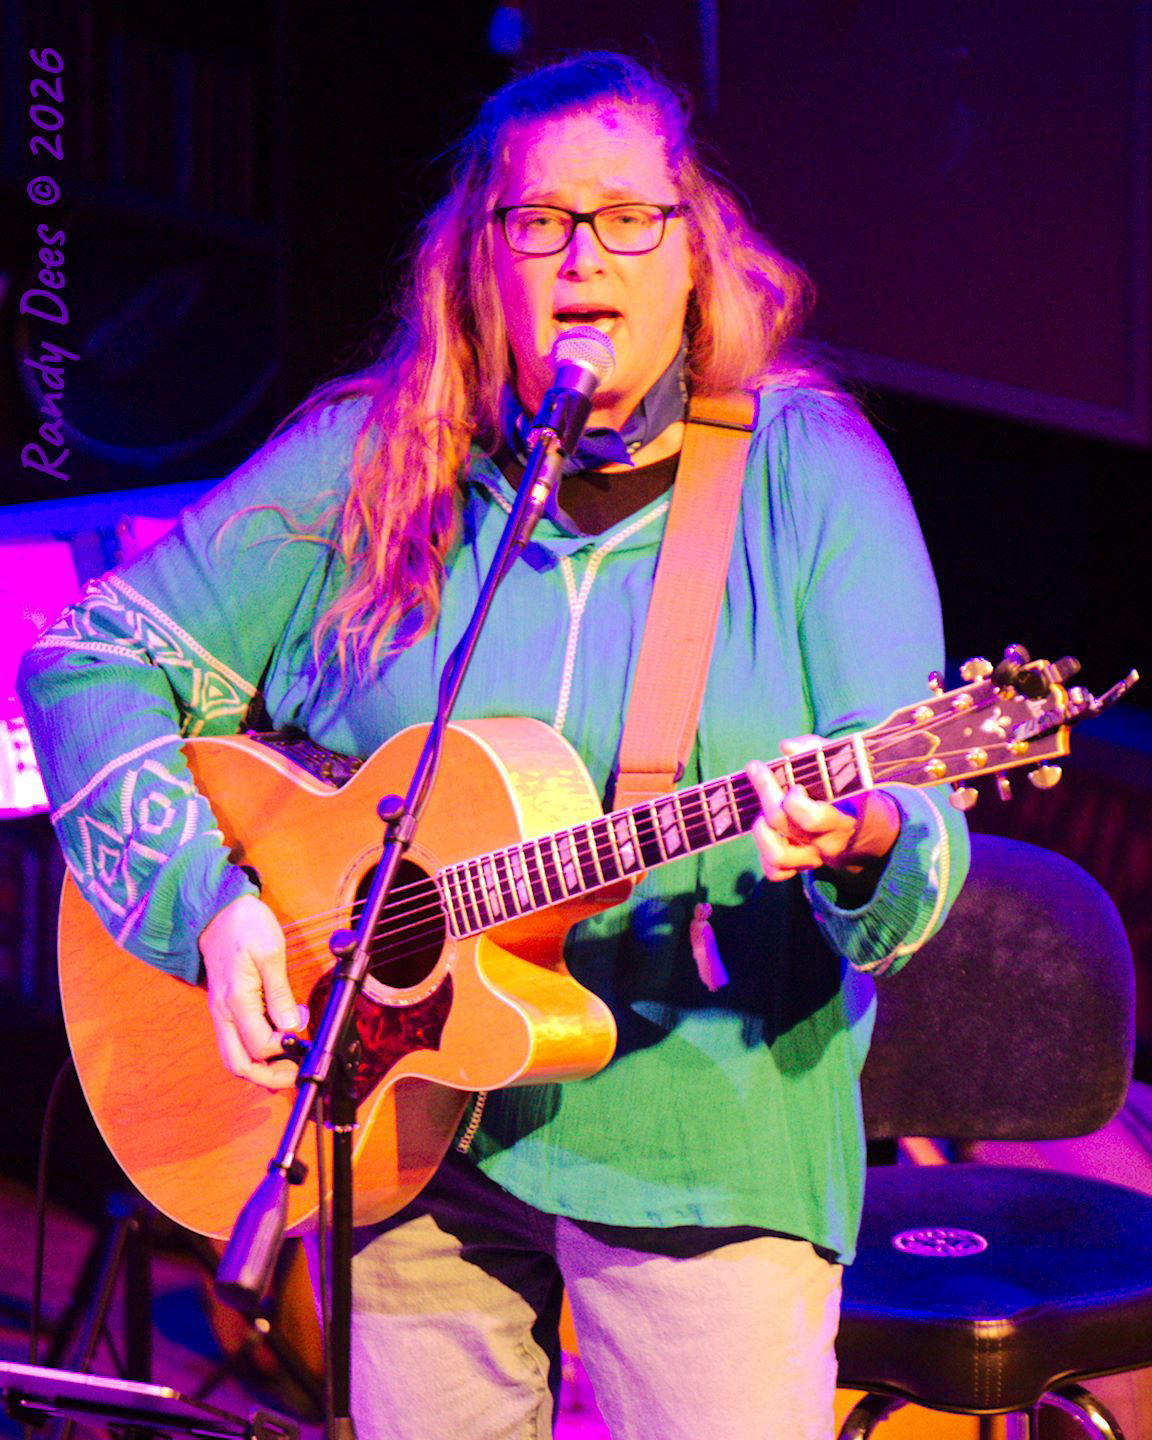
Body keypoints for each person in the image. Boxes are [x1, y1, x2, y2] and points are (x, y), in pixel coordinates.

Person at [19, 51, 969, 1440]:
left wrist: (868, 836)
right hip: (398, 1130)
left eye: (629, 217)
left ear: (693, 251)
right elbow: (87, 657)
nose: (586, 255)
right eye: (540, 220)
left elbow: (922, 833)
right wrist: (209, 907)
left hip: (705, 1148)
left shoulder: (807, 477)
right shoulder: (373, 457)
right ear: (480, 259)